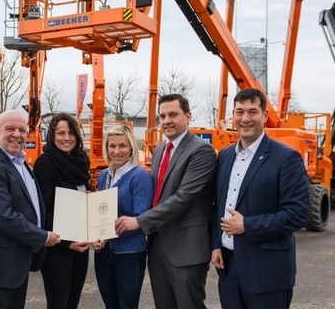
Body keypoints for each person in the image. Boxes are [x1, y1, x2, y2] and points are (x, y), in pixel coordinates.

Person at [211, 88, 310, 309]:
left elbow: (298, 214)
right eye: (240, 112)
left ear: (265, 116)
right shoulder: (225, 156)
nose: (245, 118)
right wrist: (216, 244)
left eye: (252, 112)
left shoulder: (286, 158)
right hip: (229, 267)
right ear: (233, 116)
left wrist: (247, 225)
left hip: (266, 271)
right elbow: (218, 206)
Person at [115, 94, 217, 309]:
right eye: (162, 116)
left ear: (188, 116)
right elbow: (155, 194)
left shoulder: (201, 150)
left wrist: (139, 221)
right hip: (158, 247)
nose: (167, 121)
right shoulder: (161, 149)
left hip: (186, 248)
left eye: (173, 114)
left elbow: (183, 198)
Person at [0, 110, 61, 309]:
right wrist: (43, 237)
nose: (17, 134)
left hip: (12, 265)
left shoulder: (19, 163)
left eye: (22, 130)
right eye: (10, 129)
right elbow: (5, 216)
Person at [33, 113, 92, 309]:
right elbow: (44, 210)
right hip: (58, 249)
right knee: (59, 304)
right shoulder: (45, 164)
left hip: (80, 246)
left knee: (72, 303)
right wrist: (67, 243)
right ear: (52, 135)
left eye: (71, 133)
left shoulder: (80, 163)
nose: (67, 138)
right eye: (60, 133)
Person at [92, 124, 154, 309]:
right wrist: (95, 235)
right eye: (112, 146)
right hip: (104, 252)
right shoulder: (104, 175)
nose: (117, 151)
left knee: (127, 305)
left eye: (122, 146)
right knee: (110, 304)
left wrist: (107, 234)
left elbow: (140, 217)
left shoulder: (140, 176)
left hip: (129, 252)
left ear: (131, 148)